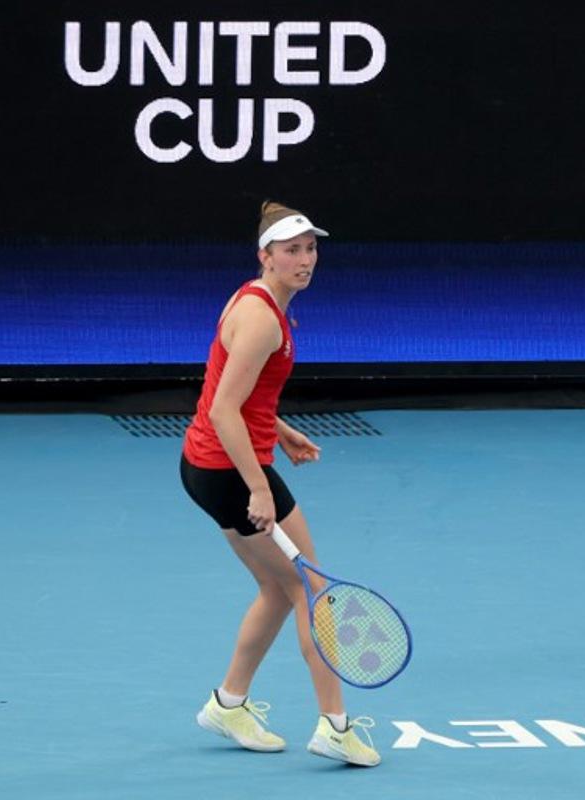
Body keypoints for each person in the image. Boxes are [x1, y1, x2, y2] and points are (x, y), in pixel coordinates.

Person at [179, 201, 381, 764]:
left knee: (277, 588)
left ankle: (228, 703)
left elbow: (234, 391)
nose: (304, 259)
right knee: (311, 593)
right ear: (265, 256)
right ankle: (336, 726)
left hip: (207, 467)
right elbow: (224, 410)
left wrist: (280, 429)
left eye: (310, 248)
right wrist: (259, 488)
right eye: (291, 250)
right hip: (227, 470)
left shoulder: (256, 299)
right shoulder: (264, 318)